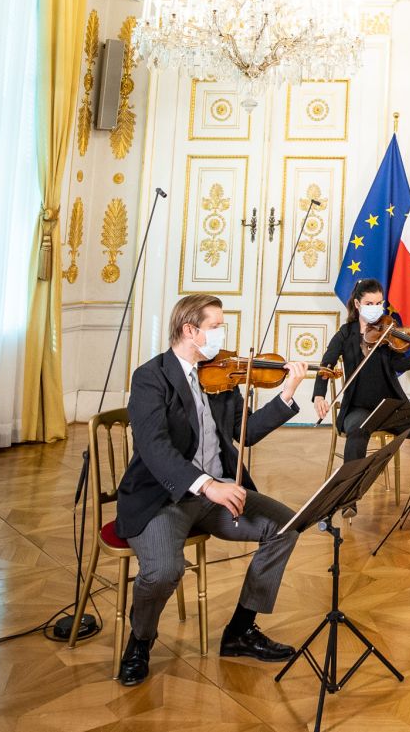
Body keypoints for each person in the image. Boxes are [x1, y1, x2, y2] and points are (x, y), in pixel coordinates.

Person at [111, 292, 310, 687]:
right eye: (216, 327)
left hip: (216, 496)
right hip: (164, 498)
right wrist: (208, 486)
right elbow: (155, 448)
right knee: (164, 571)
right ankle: (140, 640)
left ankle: (240, 630)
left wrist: (287, 393)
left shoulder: (219, 376)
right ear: (190, 330)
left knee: (287, 526)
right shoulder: (151, 377)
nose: (223, 335)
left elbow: (245, 432)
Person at [312, 278, 410, 526]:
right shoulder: (345, 335)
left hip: (390, 406)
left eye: (379, 302)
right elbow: (325, 365)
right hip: (358, 408)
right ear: (357, 304)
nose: (376, 307)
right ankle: (349, 499)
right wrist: (319, 394)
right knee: (358, 430)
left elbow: (397, 365)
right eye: (370, 303)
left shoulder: (387, 332)